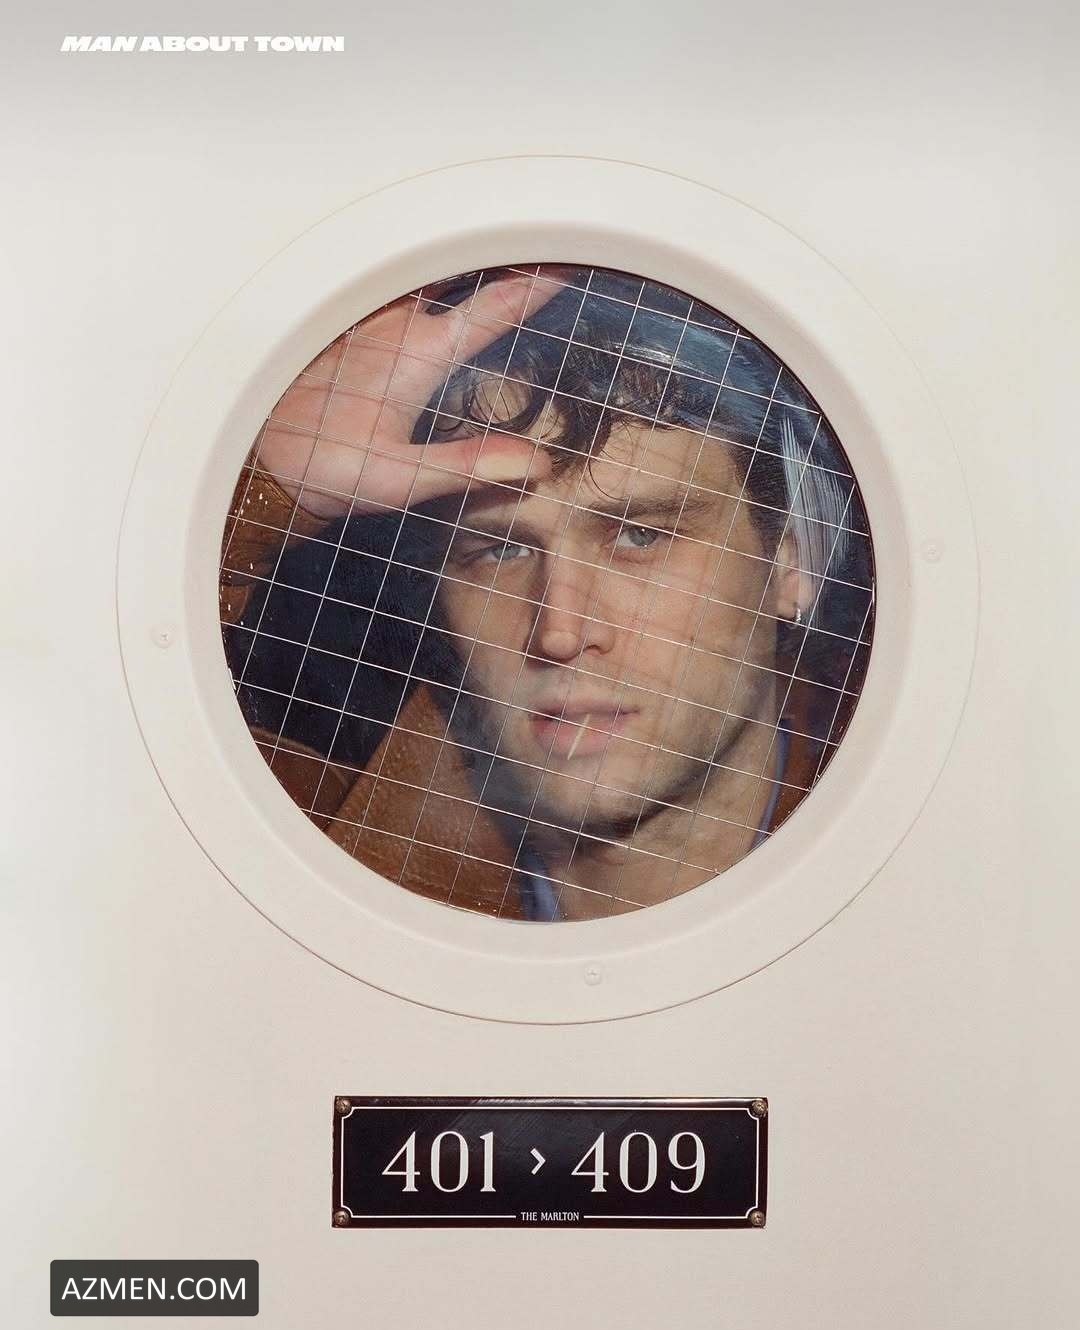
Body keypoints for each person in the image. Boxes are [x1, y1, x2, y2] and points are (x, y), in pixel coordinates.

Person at [220, 265, 873, 921]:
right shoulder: (280, 851)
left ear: (790, 563)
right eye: (500, 550)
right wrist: (261, 482)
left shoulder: (917, 873)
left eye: (641, 537)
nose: (560, 632)